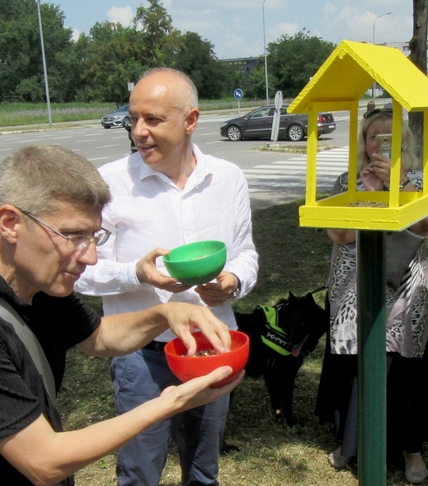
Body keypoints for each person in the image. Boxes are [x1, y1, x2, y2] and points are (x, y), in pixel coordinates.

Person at [0, 144, 242, 485]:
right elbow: (45, 462)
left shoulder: (37, 284)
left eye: (94, 235)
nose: (92, 257)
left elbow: (99, 337)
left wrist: (166, 313)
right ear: (10, 223)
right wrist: (171, 403)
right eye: (72, 235)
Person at [75, 68, 258, 486]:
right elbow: (82, 272)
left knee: (202, 471)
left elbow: (246, 252)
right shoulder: (109, 183)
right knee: (140, 474)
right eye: (133, 118)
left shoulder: (227, 178)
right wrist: (136, 274)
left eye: (153, 119)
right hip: (141, 356)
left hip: (213, 349)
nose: (138, 131)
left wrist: (233, 281)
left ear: (190, 120)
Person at [314, 105, 428, 484]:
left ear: (404, 143)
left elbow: (427, 223)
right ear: (364, 142)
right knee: (353, 361)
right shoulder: (347, 181)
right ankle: (350, 440)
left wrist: (396, 190)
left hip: (405, 286)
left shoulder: (419, 179)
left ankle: (410, 448)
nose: (381, 145)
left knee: (404, 366)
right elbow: (340, 235)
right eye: (374, 137)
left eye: (390, 138)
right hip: (353, 284)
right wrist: (369, 197)